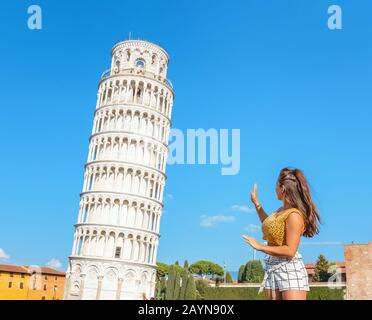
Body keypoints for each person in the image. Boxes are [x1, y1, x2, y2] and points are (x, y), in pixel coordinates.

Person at [242, 167, 321, 300]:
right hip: (272, 268)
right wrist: (256, 203)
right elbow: (268, 224)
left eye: (276, 186)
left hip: (290, 269)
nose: (275, 190)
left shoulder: (294, 215)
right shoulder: (280, 211)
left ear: (282, 188)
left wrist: (260, 247)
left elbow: (290, 250)